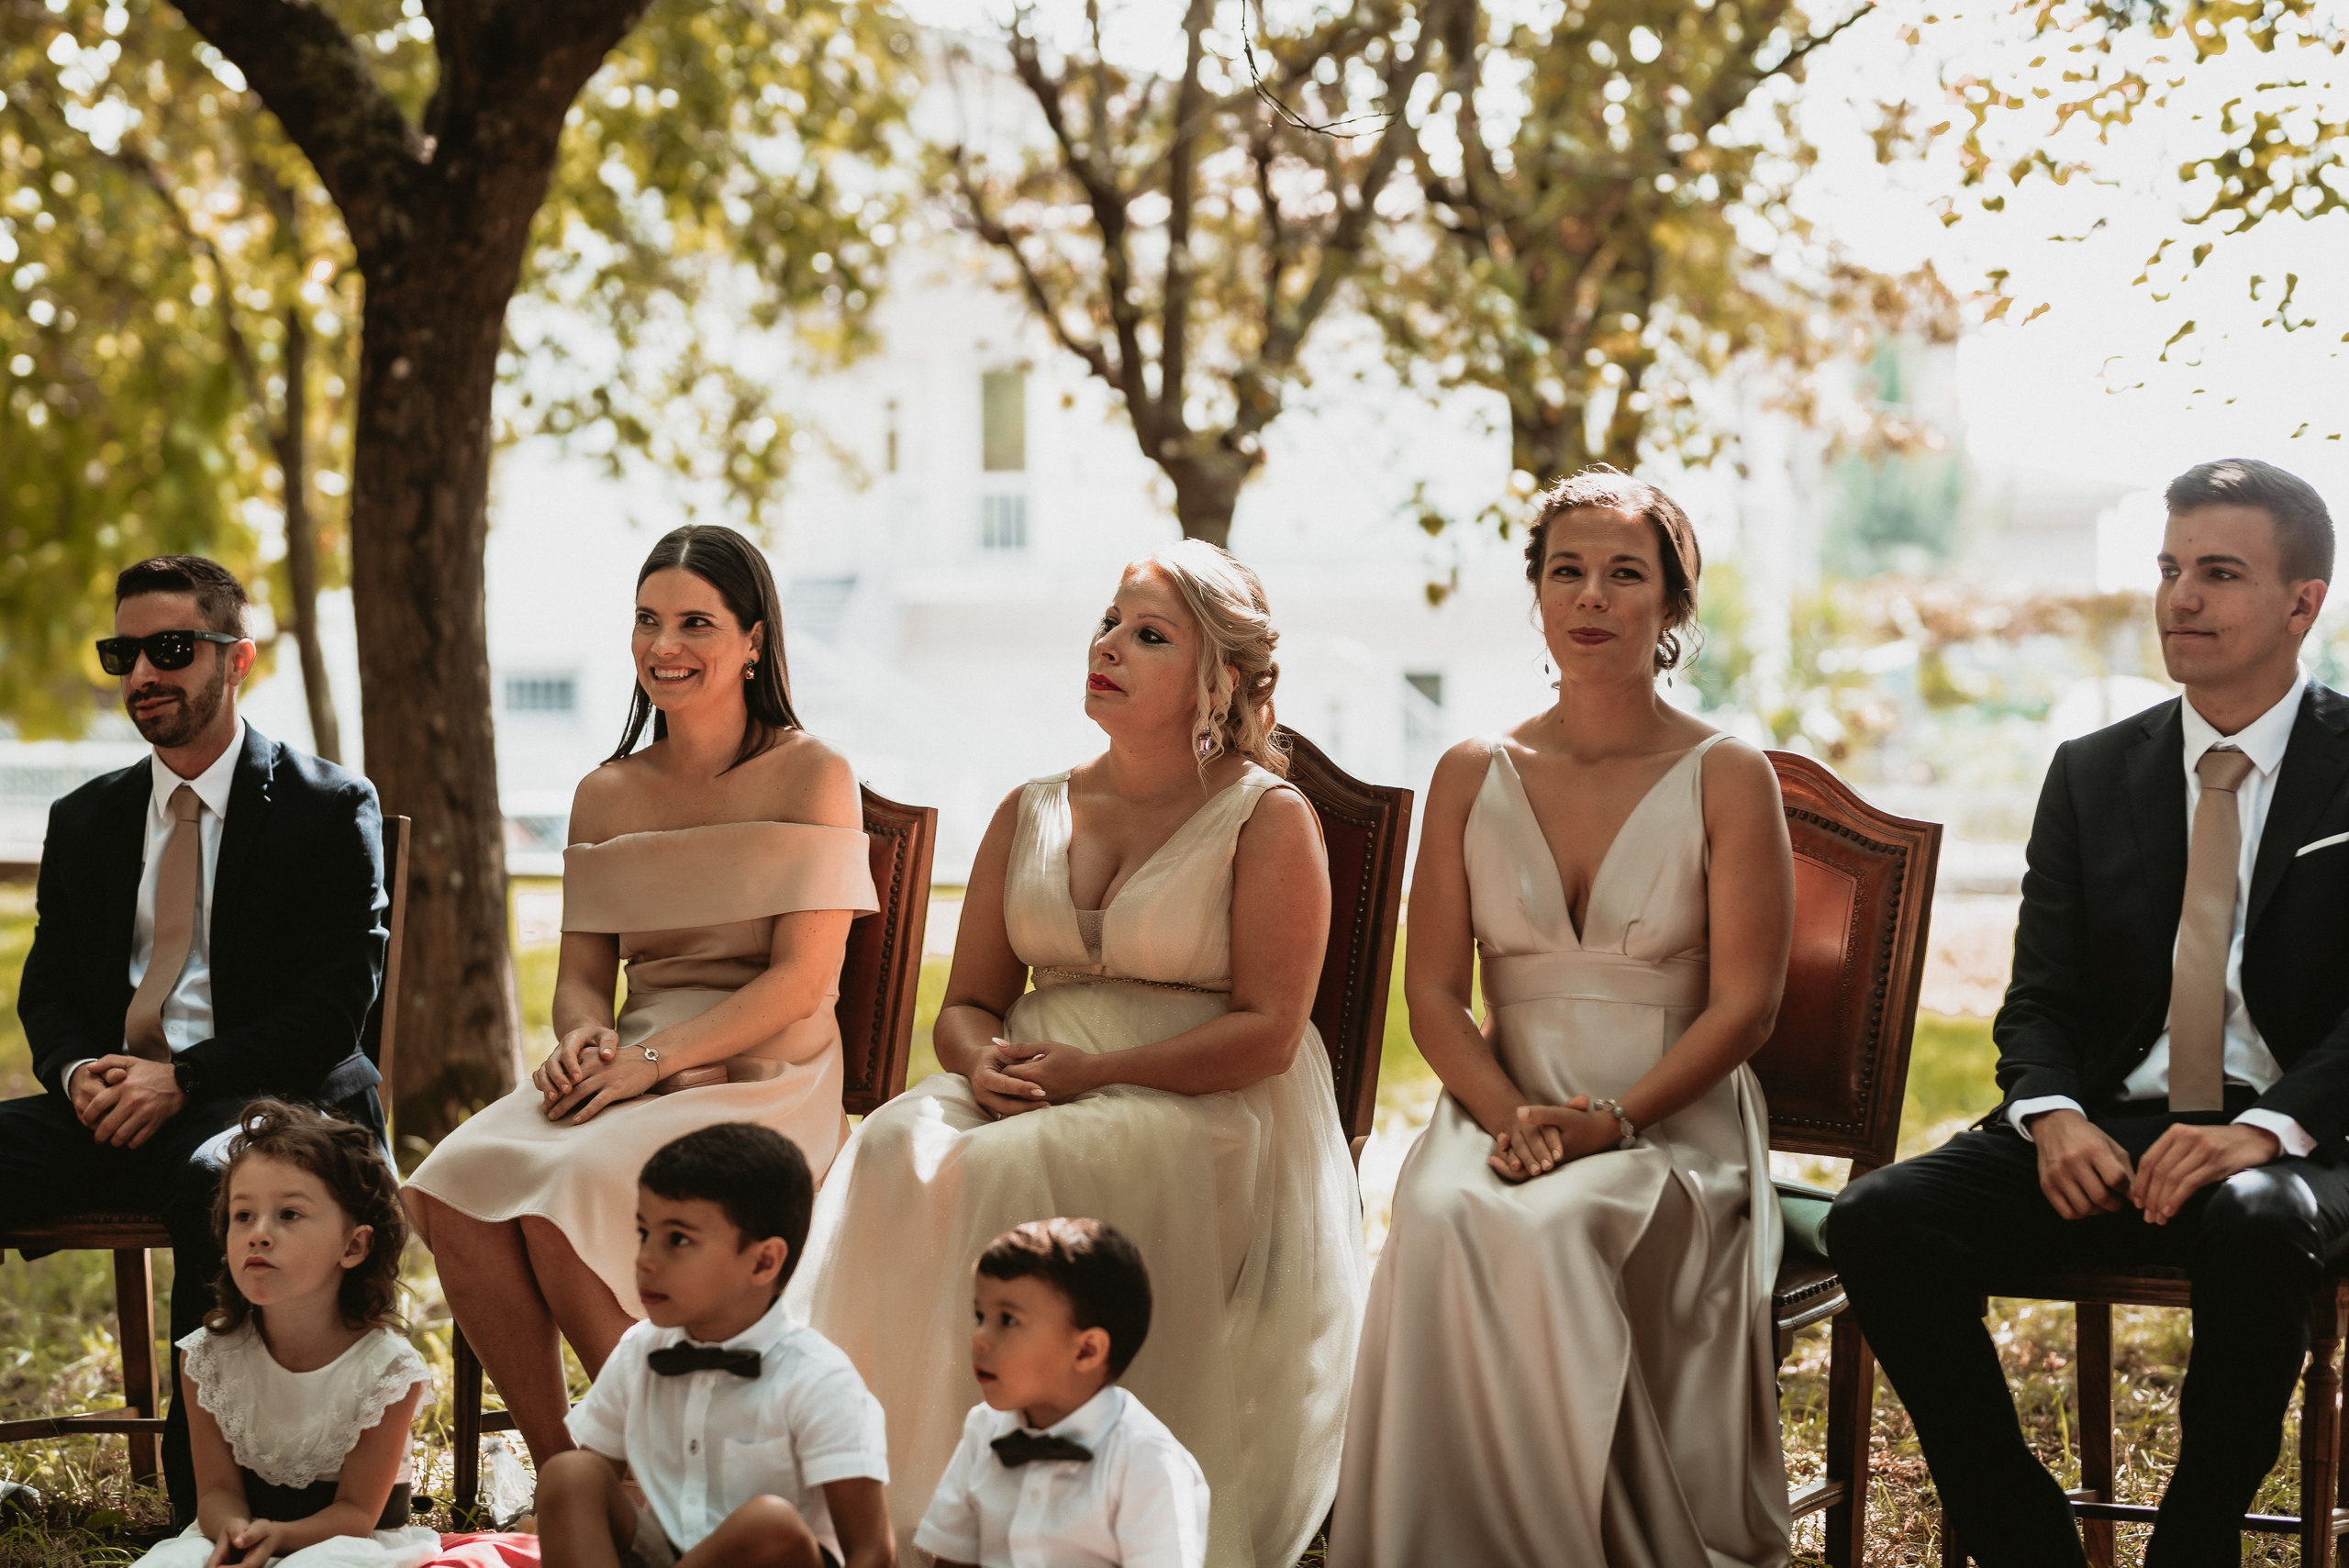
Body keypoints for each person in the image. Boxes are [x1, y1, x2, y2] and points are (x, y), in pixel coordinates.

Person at [790, 539, 1366, 1568]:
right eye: (1108, 622)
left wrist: (1094, 1074)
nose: (1107, 645)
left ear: (1221, 679)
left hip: (1202, 1095)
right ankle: (890, 1500)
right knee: (893, 1145)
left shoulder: (1268, 818)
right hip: (1030, 1078)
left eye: (1149, 634)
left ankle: (1010, 1521)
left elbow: (1269, 1030)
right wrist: (977, 1064)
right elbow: (966, 1002)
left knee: (1012, 1169)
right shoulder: (1029, 807)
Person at [1831, 458, 2349, 1566]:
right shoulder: (2090, 769)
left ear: (2304, 600)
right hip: (2112, 1121)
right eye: (2169, 569)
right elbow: (2041, 994)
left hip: (2300, 1138)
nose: (2179, 598)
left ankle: (2191, 1545)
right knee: (1876, 1218)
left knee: (2258, 1221)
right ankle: (2027, 1544)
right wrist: (2051, 1109)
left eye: (2218, 572)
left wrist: (2261, 1131)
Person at [1328, 468, 1798, 1568]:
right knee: (1439, 1207)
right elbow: (1434, 994)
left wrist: (1612, 1120)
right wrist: (1513, 1115)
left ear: (1671, 605)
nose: (1591, 596)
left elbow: (1748, 1005)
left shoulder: (1728, 774)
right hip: (1503, 1102)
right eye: (1566, 571)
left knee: (1551, 1224)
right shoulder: (1469, 769)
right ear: (1537, 595)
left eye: (1624, 574)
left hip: (1671, 1117)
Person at [405, 524, 876, 1467]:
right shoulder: (605, 792)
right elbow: (584, 977)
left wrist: (649, 1064)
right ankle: (570, 1474)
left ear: (752, 641)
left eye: (695, 622)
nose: (665, 645)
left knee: (560, 1193)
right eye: (648, 620)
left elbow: (801, 982)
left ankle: (665, 1467)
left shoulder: (813, 772)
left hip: (764, 1072)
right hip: (631, 1067)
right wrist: (585, 1040)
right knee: (452, 1184)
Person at [6, 555, 389, 1520]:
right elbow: (46, 992)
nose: (143, 672)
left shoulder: (328, 806)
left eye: (171, 647)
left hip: (271, 1102)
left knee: (229, 1180)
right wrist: (77, 1069)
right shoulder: (86, 817)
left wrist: (184, 1079)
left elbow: (333, 1008)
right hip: (115, 1104)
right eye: (123, 651)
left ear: (238, 659)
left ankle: (206, 1513)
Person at [536, 1123, 894, 1568]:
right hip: (667, 1554)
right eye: (644, 1232)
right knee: (569, 1474)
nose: (645, 1259)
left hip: (775, 1559)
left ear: (763, 1261)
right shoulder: (640, 1352)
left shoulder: (820, 1379)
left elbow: (873, 1551)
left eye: (678, 1239)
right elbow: (594, 1491)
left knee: (767, 1525)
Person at [134, 1100, 437, 1568]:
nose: (259, 1234)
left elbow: (358, 1514)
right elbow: (216, 1492)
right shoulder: (207, 1359)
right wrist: (236, 1531)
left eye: (289, 1215)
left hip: (348, 1542)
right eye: (243, 1216)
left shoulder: (388, 1371)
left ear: (353, 1245)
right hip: (247, 1533)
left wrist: (280, 1537)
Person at [918, 1219, 1208, 1568]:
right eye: (980, 1315)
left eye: (1008, 1320)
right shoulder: (983, 1429)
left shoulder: (1147, 1460)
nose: (978, 1337)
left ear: (1087, 1350)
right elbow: (952, 1561)